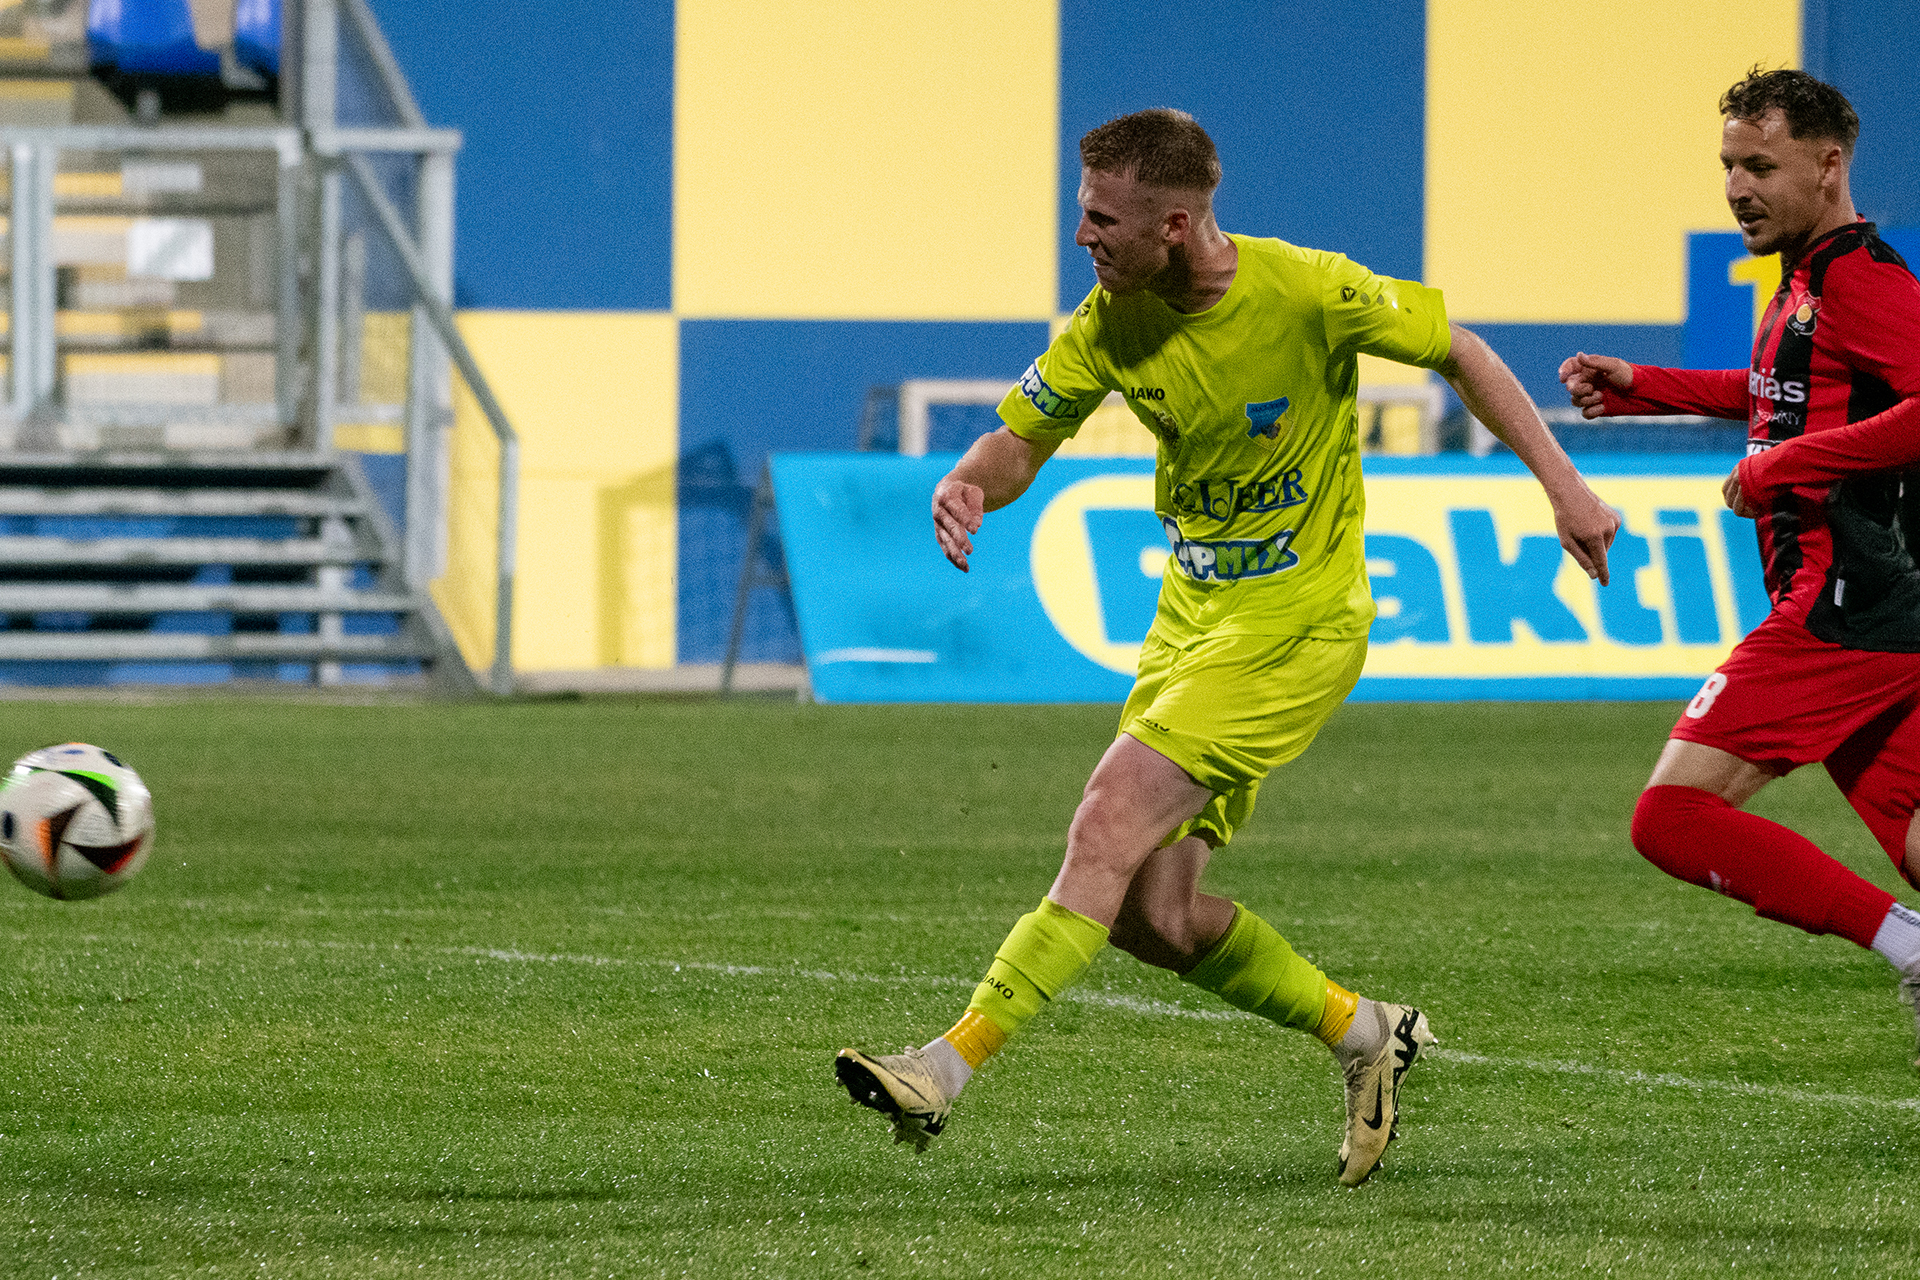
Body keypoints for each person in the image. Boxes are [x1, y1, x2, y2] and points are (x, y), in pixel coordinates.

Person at [837, 108, 1620, 1186]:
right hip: (1192, 619)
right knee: (1153, 915)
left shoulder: (1307, 290)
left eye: (1102, 219)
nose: (1082, 236)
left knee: (1104, 825)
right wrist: (973, 480)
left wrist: (1566, 487)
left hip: (1296, 622)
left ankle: (943, 1066)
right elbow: (1020, 439)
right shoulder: (1110, 320)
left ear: (1176, 223)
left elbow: (1460, 351)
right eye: (1082, 212)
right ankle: (1364, 1030)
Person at [1562, 68, 1920, 1066]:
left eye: (1760, 166)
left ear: (1828, 165)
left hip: (1842, 603)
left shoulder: (1860, 277)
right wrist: (1646, 388)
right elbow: (1780, 393)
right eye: (1728, 166)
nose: (1736, 188)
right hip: (1872, 609)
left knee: (1672, 816)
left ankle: (1908, 946)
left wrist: (1786, 466)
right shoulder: (1806, 278)